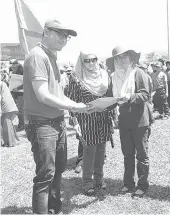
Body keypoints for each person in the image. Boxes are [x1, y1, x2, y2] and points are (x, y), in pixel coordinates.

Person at [23, 19, 87, 214]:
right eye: (60, 34)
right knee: (45, 175)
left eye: (66, 36)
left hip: (57, 122)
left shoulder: (50, 57)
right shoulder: (37, 56)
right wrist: (74, 106)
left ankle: (54, 210)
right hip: (42, 123)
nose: (64, 39)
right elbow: (43, 95)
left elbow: (57, 94)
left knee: (57, 171)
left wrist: (75, 108)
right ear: (46, 32)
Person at [106, 46, 153, 197]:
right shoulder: (113, 77)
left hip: (140, 120)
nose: (122, 59)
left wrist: (130, 97)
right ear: (114, 61)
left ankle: (143, 185)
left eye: (125, 56)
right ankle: (128, 183)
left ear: (131, 57)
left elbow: (145, 95)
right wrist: (103, 105)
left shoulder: (138, 72)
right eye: (118, 57)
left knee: (142, 154)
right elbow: (111, 99)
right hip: (124, 121)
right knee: (127, 154)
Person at [65, 51, 114, 196]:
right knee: (89, 151)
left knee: (101, 151)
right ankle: (87, 181)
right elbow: (71, 101)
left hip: (104, 119)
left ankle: (99, 179)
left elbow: (110, 97)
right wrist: (74, 121)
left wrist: (111, 108)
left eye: (93, 60)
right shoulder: (76, 78)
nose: (91, 63)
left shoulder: (104, 75)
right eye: (87, 61)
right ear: (82, 62)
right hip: (87, 120)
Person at [0, 80, 19, 147]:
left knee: (6, 124)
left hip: (6, 105)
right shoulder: (2, 83)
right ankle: (9, 141)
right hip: (8, 104)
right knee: (7, 124)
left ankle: (10, 142)